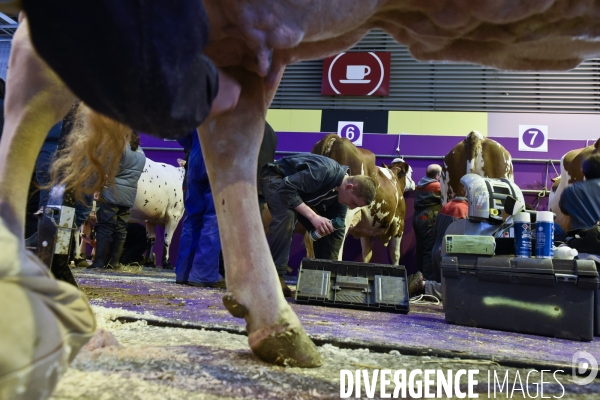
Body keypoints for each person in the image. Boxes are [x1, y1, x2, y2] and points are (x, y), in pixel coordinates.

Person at [260, 153, 377, 296]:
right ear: (349, 187)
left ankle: (324, 277)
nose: (352, 208)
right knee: (287, 214)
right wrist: (314, 218)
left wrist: (332, 273)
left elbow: (337, 232)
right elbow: (287, 188)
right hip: (277, 177)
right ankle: (275, 277)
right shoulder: (324, 172)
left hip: (297, 191)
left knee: (331, 229)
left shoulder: (340, 197)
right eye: (354, 203)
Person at [175, 131, 224, 287]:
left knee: (192, 217)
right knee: (214, 218)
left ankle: (183, 272)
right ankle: (202, 275)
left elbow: (179, 131)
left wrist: (196, 145)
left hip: (196, 157)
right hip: (222, 157)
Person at [89, 132, 146, 269]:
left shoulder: (119, 149)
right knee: (121, 229)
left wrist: (98, 188)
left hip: (112, 193)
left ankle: (99, 262)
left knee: (104, 227)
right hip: (128, 196)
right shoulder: (141, 153)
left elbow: (109, 171)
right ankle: (113, 262)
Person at [412, 164, 442, 280]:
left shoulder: (421, 183)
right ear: (438, 175)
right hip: (429, 220)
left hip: (418, 219)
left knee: (420, 249)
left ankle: (418, 278)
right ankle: (426, 281)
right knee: (429, 250)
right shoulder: (436, 186)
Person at [559, 153, 600, 230]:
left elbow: (564, 211)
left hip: (582, 239)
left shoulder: (570, 190)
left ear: (582, 171)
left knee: (556, 228)